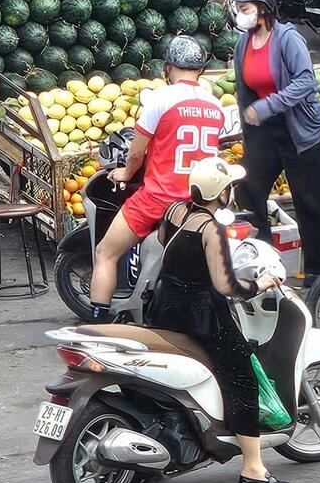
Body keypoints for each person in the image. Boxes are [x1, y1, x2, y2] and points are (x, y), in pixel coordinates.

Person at [141, 155, 292, 483]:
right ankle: (253, 471)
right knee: (242, 378)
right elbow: (227, 288)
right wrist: (263, 284)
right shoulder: (211, 229)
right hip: (201, 315)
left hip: (164, 306)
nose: (232, 192)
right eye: (230, 188)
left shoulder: (175, 211)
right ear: (221, 193)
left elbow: (165, 242)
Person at [89, 36, 225, 320]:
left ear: (168, 68)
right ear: (200, 69)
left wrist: (124, 173)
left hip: (158, 199)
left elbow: (136, 153)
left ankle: (99, 323)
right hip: (199, 203)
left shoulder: (158, 99)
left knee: (106, 253)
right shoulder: (216, 106)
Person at [229, 0, 320, 278]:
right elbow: (244, 89)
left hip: (302, 130)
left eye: (245, 9)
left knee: (311, 202)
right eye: (239, 9)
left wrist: (266, 107)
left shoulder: (288, 39)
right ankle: (262, 260)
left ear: (264, 10)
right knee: (249, 190)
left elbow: (306, 83)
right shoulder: (243, 43)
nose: (240, 15)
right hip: (266, 132)